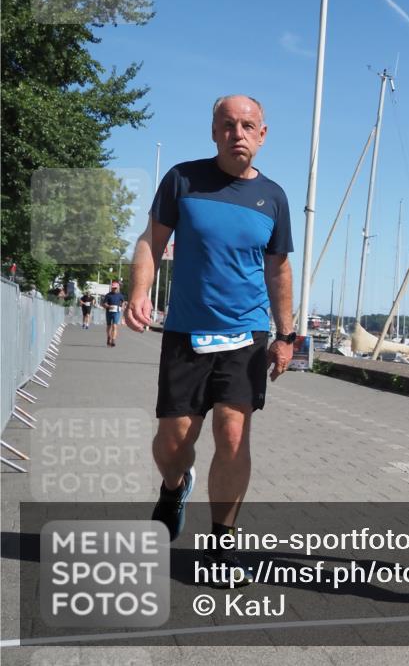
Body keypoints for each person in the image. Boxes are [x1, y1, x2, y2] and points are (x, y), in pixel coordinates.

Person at [124, 95, 295, 588]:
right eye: (227, 124)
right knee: (173, 442)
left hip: (246, 335)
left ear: (262, 135)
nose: (237, 133)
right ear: (213, 131)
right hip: (186, 332)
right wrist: (139, 290)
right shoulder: (182, 179)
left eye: (247, 126)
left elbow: (279, 269)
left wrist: (286, 336)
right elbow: (149, 242)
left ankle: (222, 542)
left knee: (233, 435)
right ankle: (175, 484)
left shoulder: (274, 198)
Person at [102, 281, 127, 346]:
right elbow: (104, 304)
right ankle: (108, 337)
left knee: (115, 326)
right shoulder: (108, 295)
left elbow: (123, 302)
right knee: (109, 326)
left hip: (116, 312)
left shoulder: (120, 295)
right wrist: (108, 306)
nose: (114, 289)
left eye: (115, 288)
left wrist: (122, 307)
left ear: (118, 288)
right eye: (113, 288)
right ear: (111, 288)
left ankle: (113, 340)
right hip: (109, 312)